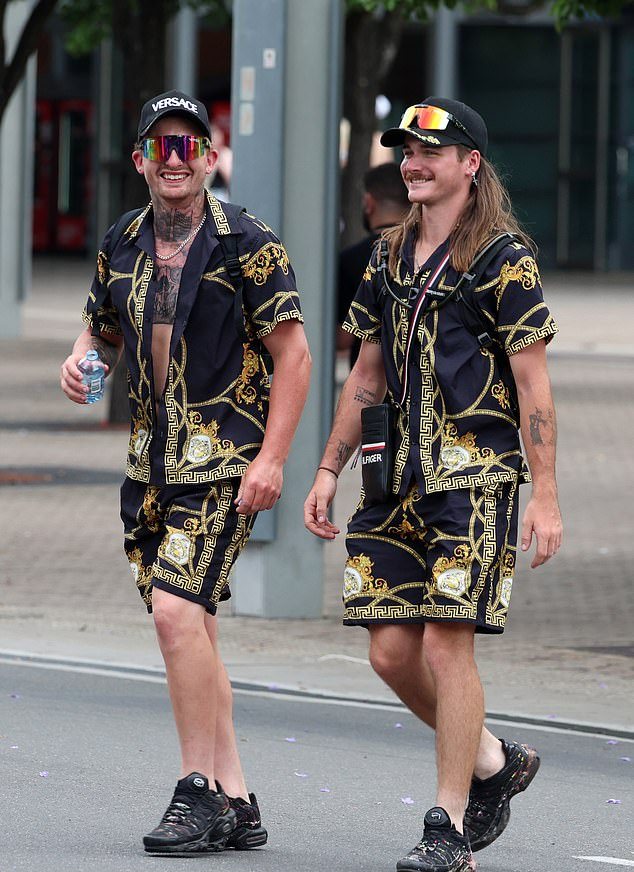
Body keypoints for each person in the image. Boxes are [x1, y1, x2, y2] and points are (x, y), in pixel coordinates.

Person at [304, 97, 562, 872]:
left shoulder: (504, 259)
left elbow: (534, 386)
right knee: (389, 653)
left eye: (430, 153)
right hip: (393, 481)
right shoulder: (386, 256)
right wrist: (328, 468)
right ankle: (492, 761)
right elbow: (367, 374)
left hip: (473, 481)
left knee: (449, 648)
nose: (412, 164)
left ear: (469, 164)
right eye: (407, 152)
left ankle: (447, 827)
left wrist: (546, 495)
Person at [61, 89, 311, 855]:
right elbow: (100, 332)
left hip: (225, 462)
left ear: (209, 157)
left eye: (189, 145)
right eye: (161, 146)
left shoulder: (249, 244)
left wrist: (273, 459)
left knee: (175, 614)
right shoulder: (122, 241)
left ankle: (195, 789)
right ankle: (236, 798)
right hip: (151, 468)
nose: (176, 159)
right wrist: (80, 362)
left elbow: (296, 357)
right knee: (193, 626)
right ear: (140, 159)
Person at [337, 162, 410, 367]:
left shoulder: (352, 259)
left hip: (368, 374)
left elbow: (343, 339)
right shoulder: (425, 252)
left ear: (369, 203)